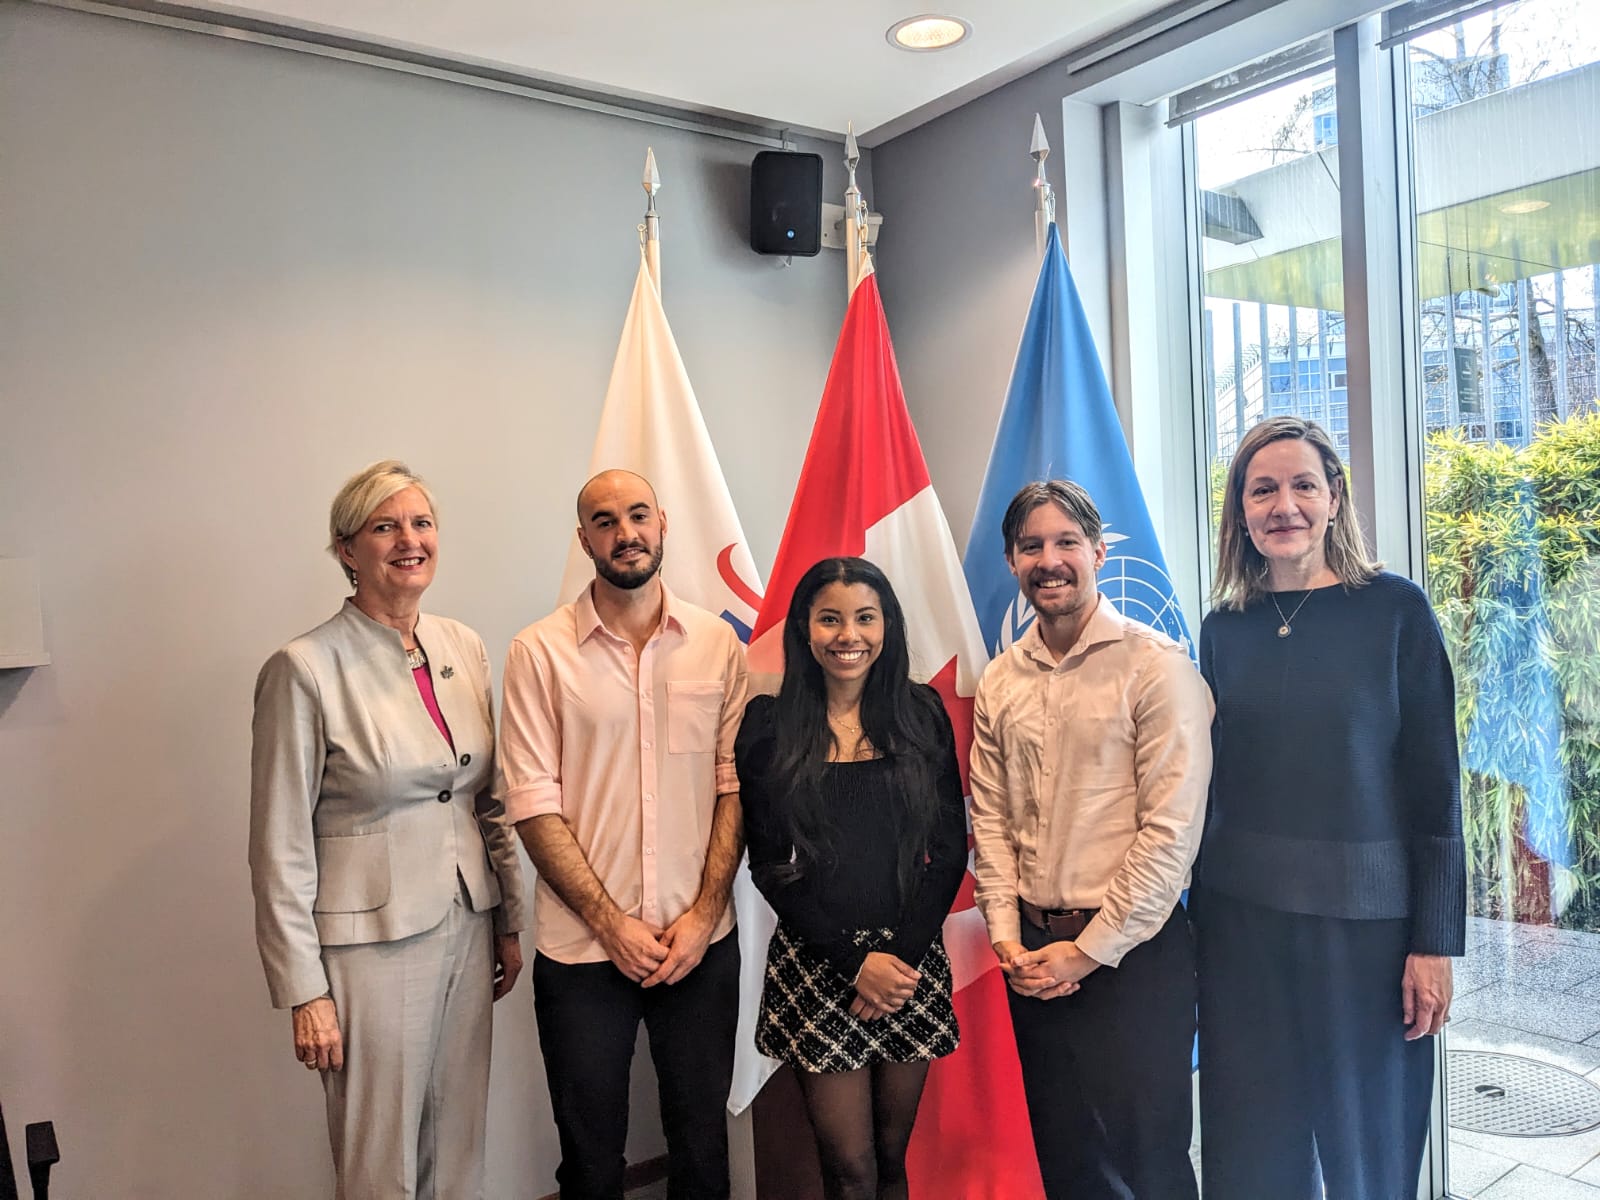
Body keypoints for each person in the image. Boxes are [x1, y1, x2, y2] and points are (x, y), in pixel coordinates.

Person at [1195, 416, 1464, 1199]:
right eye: (1263, 489)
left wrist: (1434, 943)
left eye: (1303, 485)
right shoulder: (1223, 629)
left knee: (1369, 1160)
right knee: (1251, 1160)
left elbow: (1436, 788)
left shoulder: (1396, 612)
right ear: (1241, 512)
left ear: (1335, 498)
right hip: (1241, 929)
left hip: (1369, 939)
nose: (1285, 505)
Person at [249, 459, 527, 1199]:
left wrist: (509, 918)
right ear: (348, 550)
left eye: (422, 523)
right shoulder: (304, 668)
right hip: (367, 944)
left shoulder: (463, 646)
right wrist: (304, 990)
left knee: (459, 1135)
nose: (409, 540)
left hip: (468, 920)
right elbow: (278, 847)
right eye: (385, 526)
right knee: (382, 1159)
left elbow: (486, 797)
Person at [497, 469, 748, 1200]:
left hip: (699, 943)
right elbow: (534, 806)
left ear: (663, 524)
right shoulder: (538, 653)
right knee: (590, 1157)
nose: (625, 532)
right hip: (581, 952)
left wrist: (704, 913)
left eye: (638, 515)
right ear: (585, 540)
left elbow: (733, 788)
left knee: (702, 1146)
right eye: (605, 521)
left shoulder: (714, 645)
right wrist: (610, 923)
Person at [968, 479, 1212, 1200]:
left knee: (1152, 1165)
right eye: (1032, 546)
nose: (1050, 559)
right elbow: (991, 821)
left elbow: (1170, 834)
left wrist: (1088, 951)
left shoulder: (1155, 666)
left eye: (1066, 542)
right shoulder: (999, 681)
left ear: (1100, 552)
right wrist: (1008, 939)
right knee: (1069, 1166)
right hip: (1035, 962)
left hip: (1133, 962)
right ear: (1012, 562)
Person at [736, 557, 966, 1200]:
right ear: (805, 630)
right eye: (829, 618)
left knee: (892, 1163)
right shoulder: (768, 725)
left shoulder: (921, 713)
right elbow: (770, 867)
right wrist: (853, 962)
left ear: (886, 625)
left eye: (865, 617)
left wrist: (896, 959)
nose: (848, 635)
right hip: (819, 962)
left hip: (908, 962)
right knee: (850, 1169)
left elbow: (948, 851)